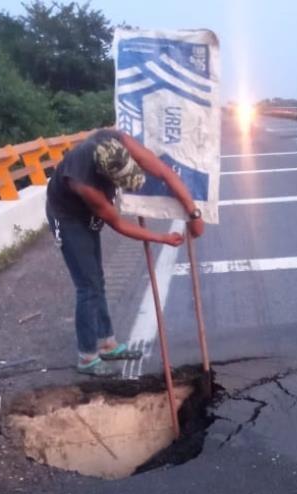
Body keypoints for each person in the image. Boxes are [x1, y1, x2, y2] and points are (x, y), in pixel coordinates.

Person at [46, 129, 204, 376]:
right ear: (104, 175)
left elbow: (165, 172)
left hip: (86, 213)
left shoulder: (120, 140)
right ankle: (87, 357)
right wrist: (161, 237)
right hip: (67, 218)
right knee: (87, 285)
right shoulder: (84, 184)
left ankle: (107, 344)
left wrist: (193, 212)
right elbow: (118, 224)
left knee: (97, 279)